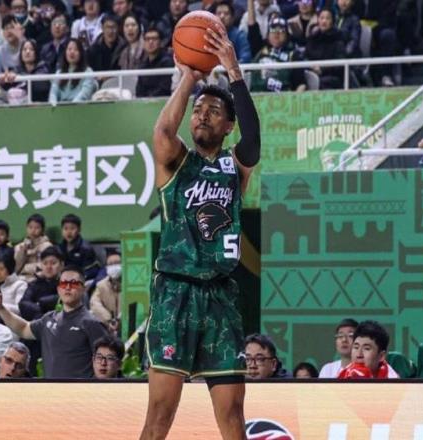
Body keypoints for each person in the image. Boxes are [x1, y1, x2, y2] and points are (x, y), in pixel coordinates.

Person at [140, 20, 260, 439]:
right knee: (160, 413)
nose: (203, 115)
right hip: (176, 292)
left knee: (232, 415)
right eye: (198, 110)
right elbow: (162, 131)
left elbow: (254, 141)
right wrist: (189, 78)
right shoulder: (176, 162)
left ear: (228, 125)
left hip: (221, 296)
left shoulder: (234, 166)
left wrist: (233, 71)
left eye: (213, 111)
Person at [0, 266, 109, 378]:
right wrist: (1, 308)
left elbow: (107, 363)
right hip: (50, 392)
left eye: (74, 283)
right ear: (58, 289)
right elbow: (23, 328)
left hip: (79, 393)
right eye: (64, 283)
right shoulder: (49, 319)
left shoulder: (91, 323)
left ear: (83, 289)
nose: (68, 287)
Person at [18, 245, 63, 374]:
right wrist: (41, 308)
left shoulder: (64, 285)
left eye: (53, 263)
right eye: (45, 263)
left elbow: (61, 301)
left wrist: (41, 302)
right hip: (35, 329)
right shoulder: (34, 284)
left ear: (61, 265)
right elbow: (23, 304)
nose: (49, 267)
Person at [251, 16, 306, 93]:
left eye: (281, 30)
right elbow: (252, 27)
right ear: (268, 34)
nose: (276, 34)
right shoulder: (260, 49)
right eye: (273, 30)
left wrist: (294, 99)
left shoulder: (294, 55)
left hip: (283, 98)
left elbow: (301, 85)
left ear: (287, 35)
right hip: (256, 96)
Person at [0, 38, 51, 103]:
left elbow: (39, 86)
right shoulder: (17, 69)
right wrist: (4, 80)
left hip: (40, 104)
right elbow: (7, 86)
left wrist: (19, 78)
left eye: (31, 49)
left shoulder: (43, 68)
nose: (27, 52)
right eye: (24, 49)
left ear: (36, 52)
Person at [304, 8, 346, 89]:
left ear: (332, 21)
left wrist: (322, 69)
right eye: (322, 18)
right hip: (312, 72)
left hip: (331, 76)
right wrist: (311, 67)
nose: (324, 21)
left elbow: (339, 64)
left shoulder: (338, 39)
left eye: (327, 18)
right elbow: (306, 56)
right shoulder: (313, 38)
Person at [48, 38, 98, 105]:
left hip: (79, 107)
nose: (72, 52)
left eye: (76, 49)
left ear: (81, 53)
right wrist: (53, 105)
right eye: (69, 49)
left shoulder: (88, 72)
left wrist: (72, 106)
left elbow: (85, 94)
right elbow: (53, 93)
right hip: (60, 108)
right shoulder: (59, 73)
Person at [58, 213, 100, 281]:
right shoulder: (59, 248)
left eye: (72, 228)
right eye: (65, 229)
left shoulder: (86, 249)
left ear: (79, 229)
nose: (69, 232)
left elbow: (89, 271)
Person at [135, 26, 174, 98]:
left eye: (154, 39)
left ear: (161, 42)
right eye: (147, 39)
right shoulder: (143, 66)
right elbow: (139, 91)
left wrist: (148, 98)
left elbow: (164, 89)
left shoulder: (168, 62)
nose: (150, 42)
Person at [90, 251, 121, 335]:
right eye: (111, 264)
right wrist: (109, 319)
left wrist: (120, 319)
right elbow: (94, 303)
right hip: (107, 326)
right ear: (106, 267)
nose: (114, 266)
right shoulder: (101, 285)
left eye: (117, 263)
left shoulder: (131, 284)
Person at [15, 213, 53, 283]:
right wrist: (23, 252)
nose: (33, 230)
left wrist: (25, 268)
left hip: (39, 279)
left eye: (37, 228)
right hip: (20, 279)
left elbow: (44, 266)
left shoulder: (47, 246)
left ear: (42, 229)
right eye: (30, 227)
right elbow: (16, 269)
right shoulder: (20, 246)